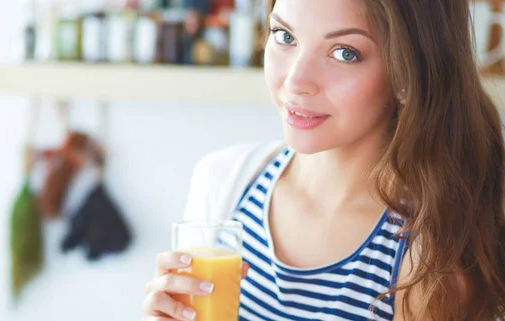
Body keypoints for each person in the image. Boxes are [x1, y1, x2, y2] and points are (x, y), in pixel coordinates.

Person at [143, 0, 505, 320]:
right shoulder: (222, 182)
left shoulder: (432, 249)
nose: (296, 80)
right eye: (285, 36)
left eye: (344, 52)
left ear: (407, 74)